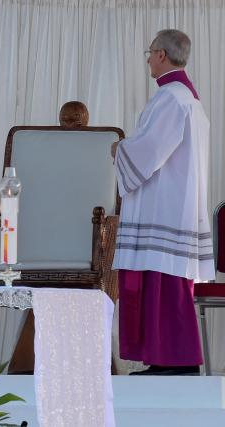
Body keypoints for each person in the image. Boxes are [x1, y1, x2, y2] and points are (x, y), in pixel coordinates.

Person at [111, 29, 215, 375]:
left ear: (161, 55)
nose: (147, 60)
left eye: (149, 52)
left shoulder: (171, 98)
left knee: (164, 284)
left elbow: (151, 150)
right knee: (167, 285)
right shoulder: (188, 98)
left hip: (164, 207)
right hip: (176, 204)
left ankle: (176, 361)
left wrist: (120, 150)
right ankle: (165, 359)